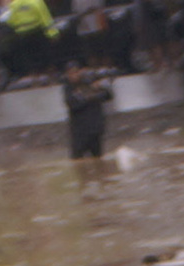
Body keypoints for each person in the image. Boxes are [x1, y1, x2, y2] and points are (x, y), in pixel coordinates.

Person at [62, 6, 117, 158]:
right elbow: (73, 103)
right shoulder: (68, 87)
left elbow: (108, 95)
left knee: (98, 160)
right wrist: (90, 94)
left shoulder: (91, 80)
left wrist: (98, 88)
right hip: (80, 133)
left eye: (75, 71)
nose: (73, 75)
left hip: (96, 130)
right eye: (70, 73)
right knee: (78, 163)